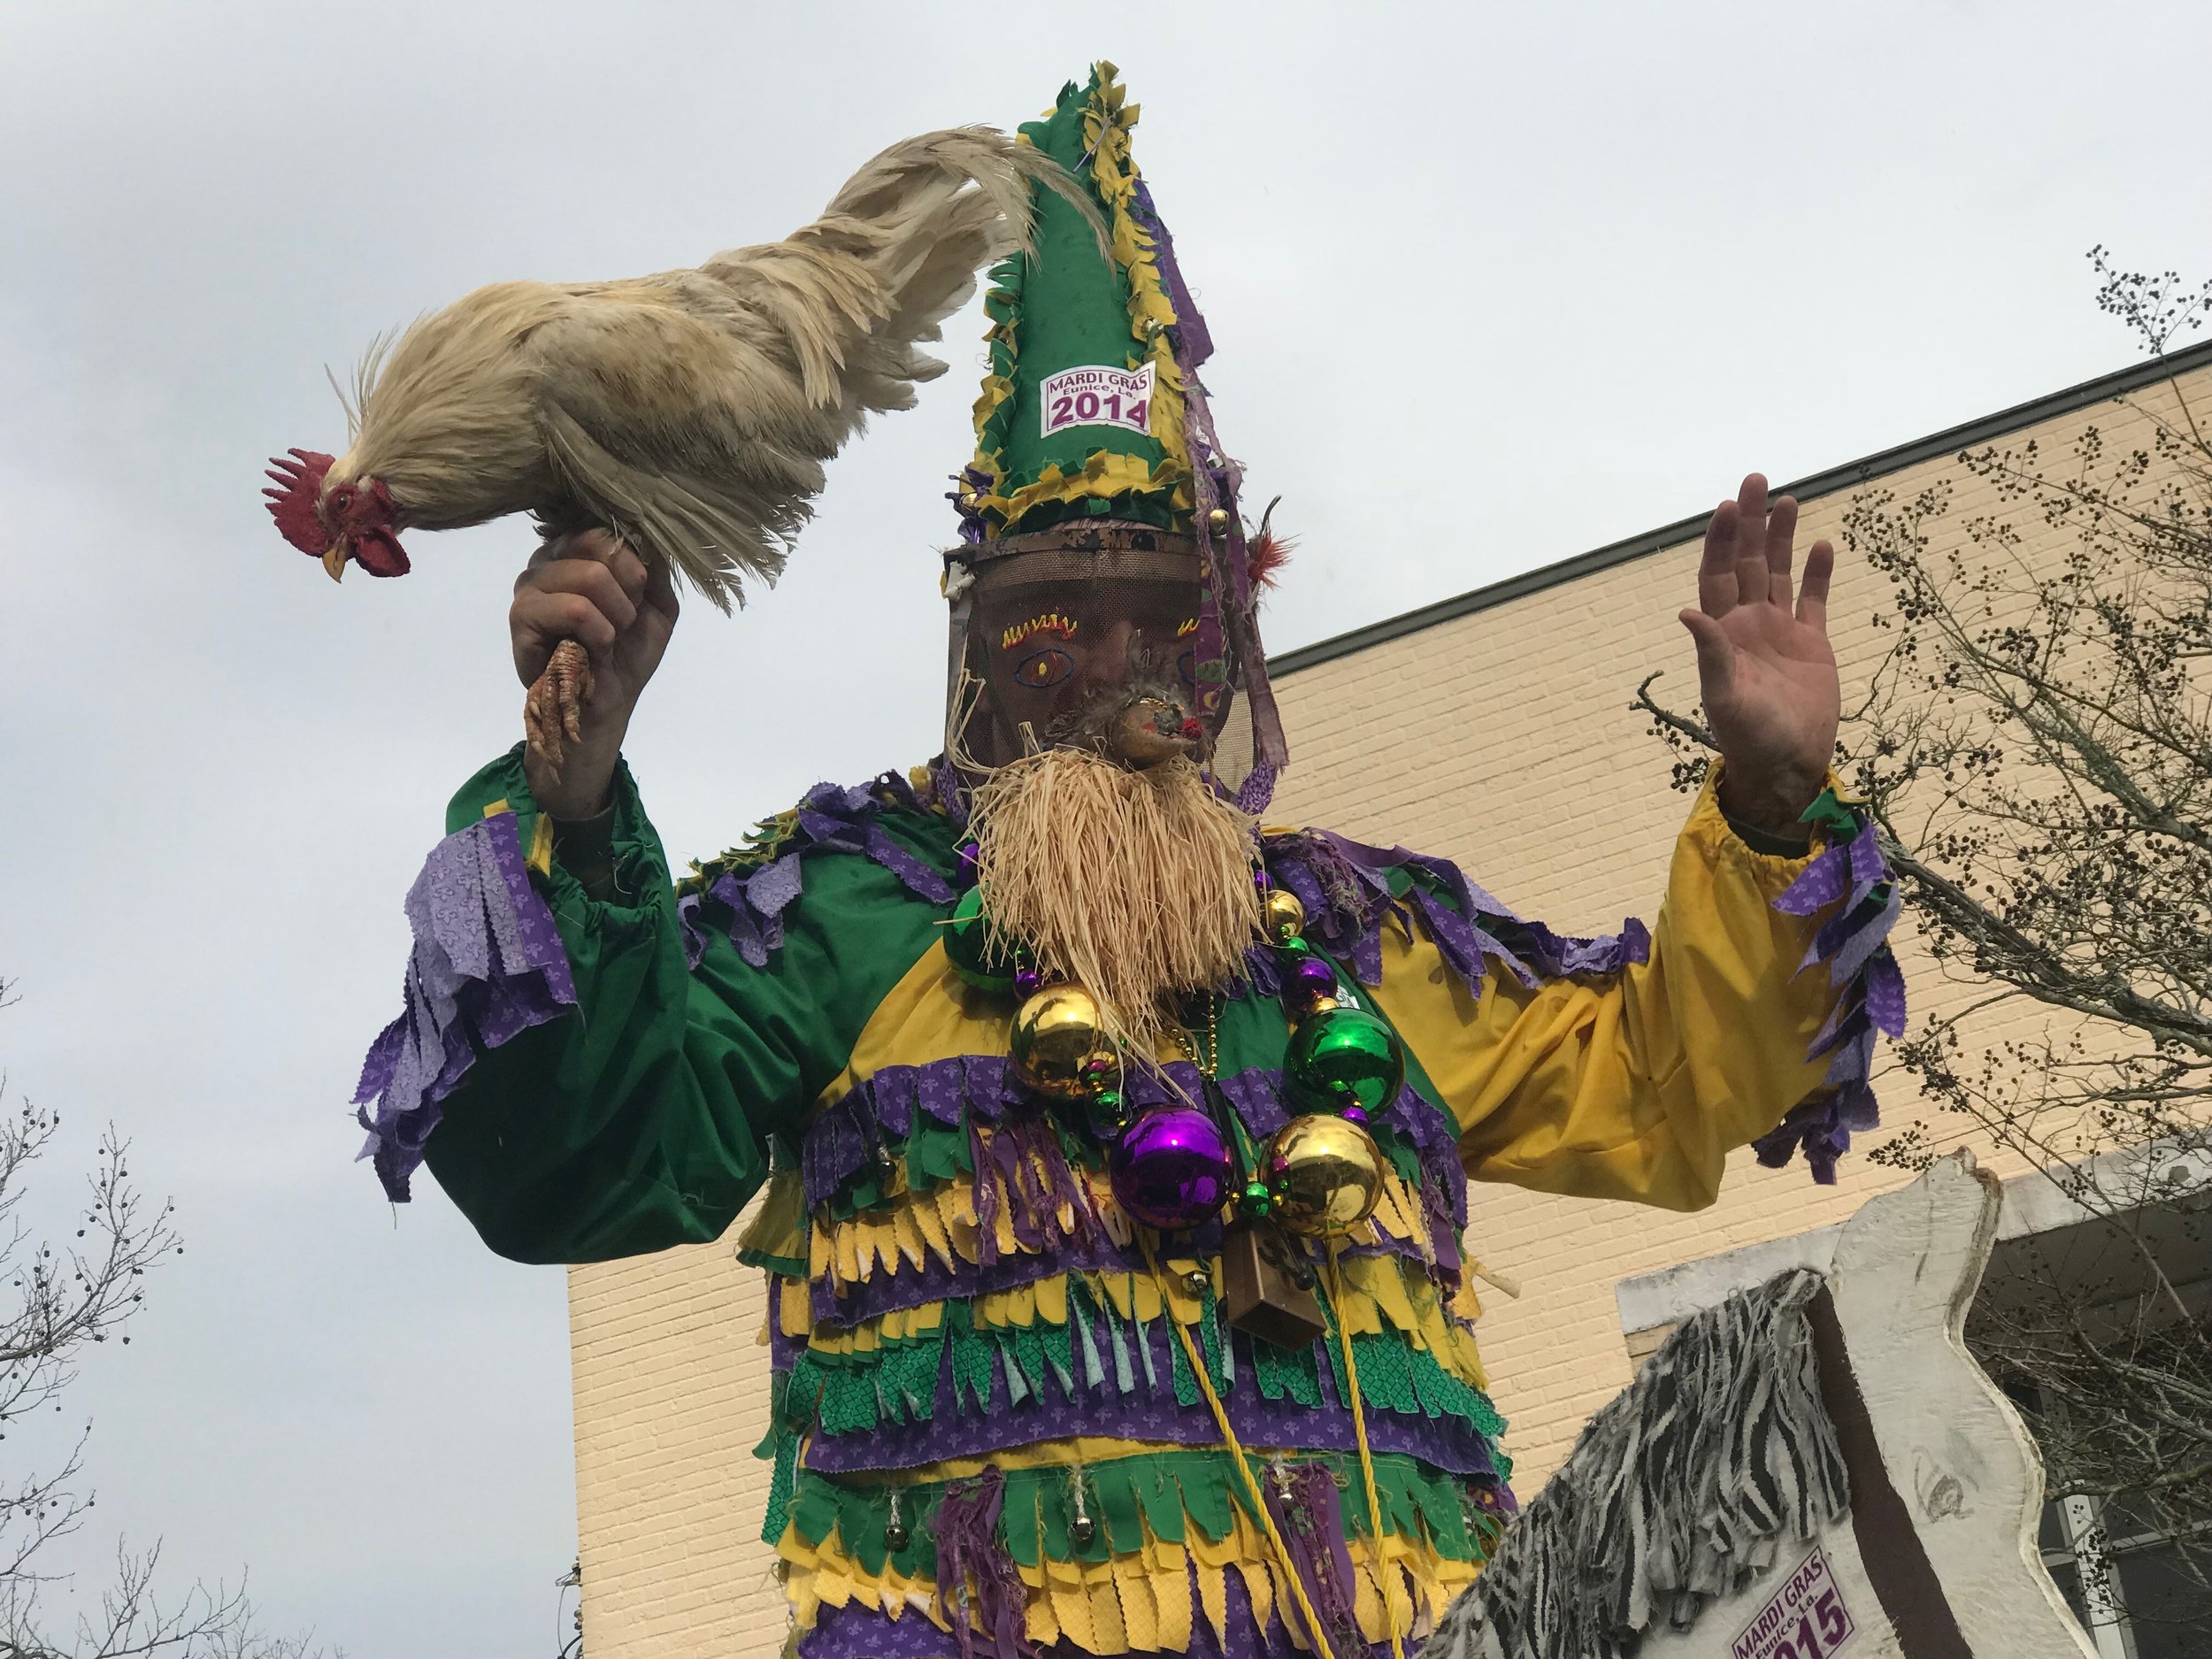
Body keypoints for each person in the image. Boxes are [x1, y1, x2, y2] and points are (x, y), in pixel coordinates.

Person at [354, 64, 1901, 1659]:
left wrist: (1773, 803)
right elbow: (577, 1162)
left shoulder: (1358, 933)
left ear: (1226, 656)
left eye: (1167, 626)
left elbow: (1668, 1084)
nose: (1121, 683)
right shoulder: (850, 909)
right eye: (1056, 628)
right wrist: (580, 791)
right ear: (978, 655)